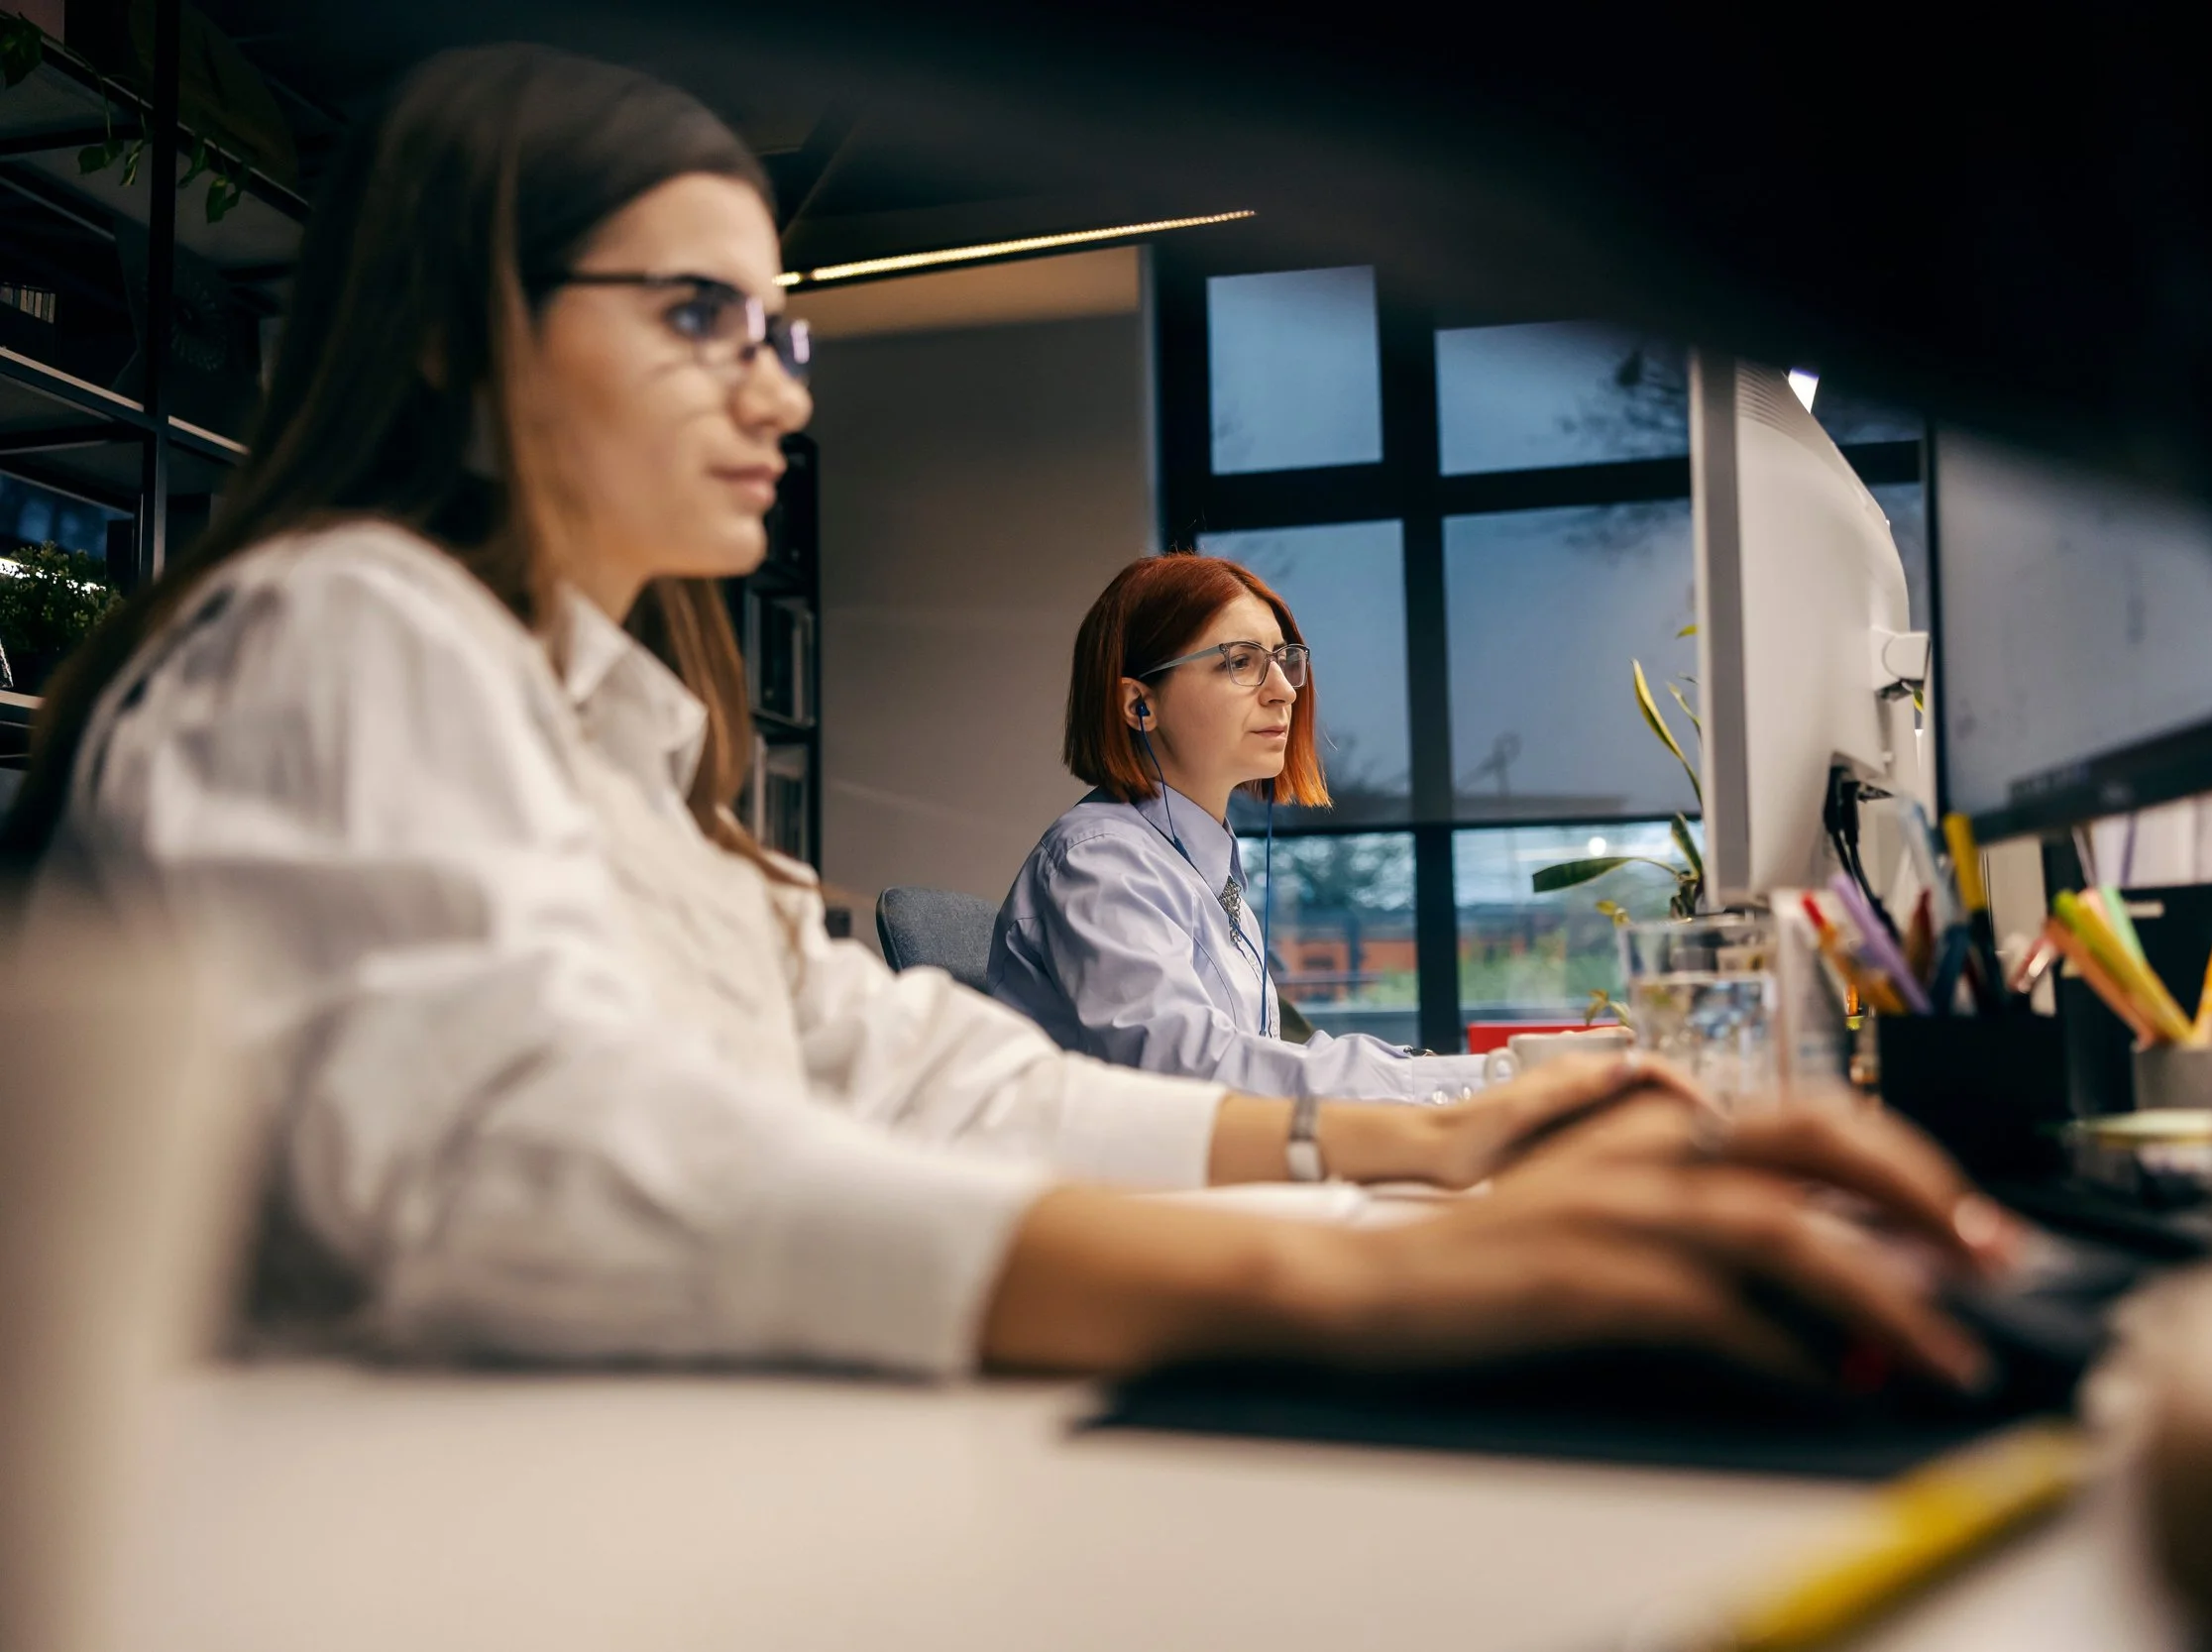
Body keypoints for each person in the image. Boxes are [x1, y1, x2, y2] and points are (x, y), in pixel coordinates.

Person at [0, 44, 2009, 1388]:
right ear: (457, 324)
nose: (781, 387)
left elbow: (910, 1071)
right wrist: (1347, 1260)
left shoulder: (609, 736)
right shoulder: (335, 632)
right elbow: (526, 1154)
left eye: (780, 327)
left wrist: (1433, 1138)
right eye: (697, 314)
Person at [991, 552, 1488, 1101]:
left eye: (1282, 660)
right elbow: (1195, 1073)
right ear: (1139, 705)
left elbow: (1258, 1060)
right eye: (1241, 662)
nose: (1285, 690)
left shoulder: (1197, 864)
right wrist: (1471, 1082)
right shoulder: (1102, 864)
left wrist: (1460, 1077)